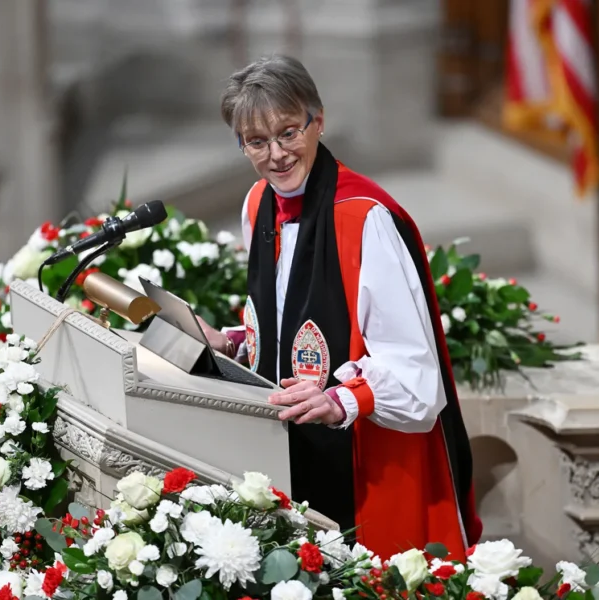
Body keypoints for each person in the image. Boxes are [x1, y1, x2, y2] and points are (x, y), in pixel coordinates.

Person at [198, 54, 482, 560]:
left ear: (318, 121)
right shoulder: (257, 202)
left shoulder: (364, 219)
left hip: (364, 460)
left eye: (289, 133)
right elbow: (287, 315)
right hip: (283, 448)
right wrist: (236, 341)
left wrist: (339, 401)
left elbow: (416, 375)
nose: (277, 155)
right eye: (256, 142)